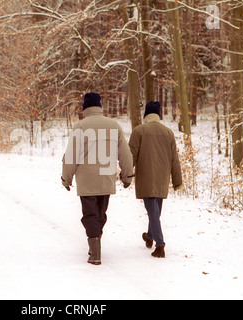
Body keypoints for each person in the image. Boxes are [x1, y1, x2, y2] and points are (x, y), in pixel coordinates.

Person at [61, 92, 134, 265]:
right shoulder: (113, 125)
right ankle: (95, 244)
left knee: (90, 215)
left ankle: (95, 250)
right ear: (99, 106)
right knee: (100, 214)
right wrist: (127, 175)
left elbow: (71, 156)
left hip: (86, 180)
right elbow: (125, 153)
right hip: (106, 177)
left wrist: (66, 178)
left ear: (85, 108)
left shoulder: (80, 126)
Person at [128, 101, 182, 258]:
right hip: (162, 177)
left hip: (146, 176)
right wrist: (177, 180)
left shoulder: (139, 131)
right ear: (158, 114)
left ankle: (160, 245)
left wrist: (126, 174)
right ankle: (150, 237)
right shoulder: (168, 133)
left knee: (152, 211)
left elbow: (131, 156)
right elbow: (174, 159)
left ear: (146, 115)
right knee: (155, 211)